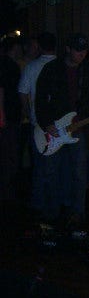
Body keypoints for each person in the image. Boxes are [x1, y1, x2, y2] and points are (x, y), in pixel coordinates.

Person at [35, 33, 89, 225]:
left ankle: (77, 212)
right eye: (78, 49)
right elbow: (40, 100)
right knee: (51, 172)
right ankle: (51, 213)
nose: (81, 53)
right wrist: (47, 123)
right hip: (55, 129)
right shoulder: (51, 69)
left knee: (79, 173)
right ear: (68, 49)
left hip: (78, 128)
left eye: (84, 50)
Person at [17, 32, 57, 211]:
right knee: (57, 167)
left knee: (41, 167)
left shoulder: (32, 67)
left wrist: (29, 112)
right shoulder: (60, 66)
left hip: (39, 124)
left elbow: (23, 92)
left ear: (40, 47)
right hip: (61, 123)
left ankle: (41, 207)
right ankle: (54, 206)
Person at [0, 35, 22, 201]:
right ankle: (7, 192)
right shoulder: (8, 66)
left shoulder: (10, 65)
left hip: (9, 115)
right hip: (9, 116)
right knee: (9, 154)